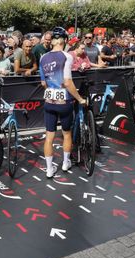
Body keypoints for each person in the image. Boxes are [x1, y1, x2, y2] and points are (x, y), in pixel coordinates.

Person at [39, 27, 87, 178]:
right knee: (66, 133)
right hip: (64, 102)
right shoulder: (67, 56)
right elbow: (67, 82)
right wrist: (80, 99)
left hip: (49, 101)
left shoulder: (43, 57)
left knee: (49, 136)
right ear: (64, 40)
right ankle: (66, 163)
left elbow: (43, 83)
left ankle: (48, 169)